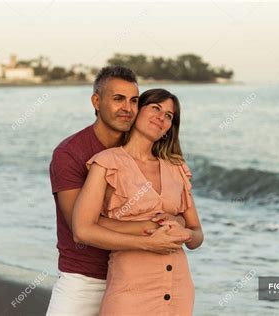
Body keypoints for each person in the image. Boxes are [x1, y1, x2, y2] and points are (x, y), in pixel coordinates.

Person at [46, 67, 190, 316]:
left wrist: (176, 220)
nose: (127, 108)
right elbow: (80, 227)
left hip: (138, 279)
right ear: (96, 101)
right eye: (118, 99)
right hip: (86, 279)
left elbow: (170, 206)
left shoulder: (143, 149)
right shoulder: (70, 154)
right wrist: (154, 229)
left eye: (134, 100)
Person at [72, 88, 204, 315]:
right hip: (129, 290)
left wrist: (182, 228)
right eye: (155, 108)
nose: (161, 117)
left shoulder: (177, 168)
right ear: (137, 112)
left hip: (178, 289)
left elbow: (197, 235)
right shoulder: (107, 163)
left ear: (169, 129)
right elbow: (82, 230)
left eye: (169, 116)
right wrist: (148, 243)